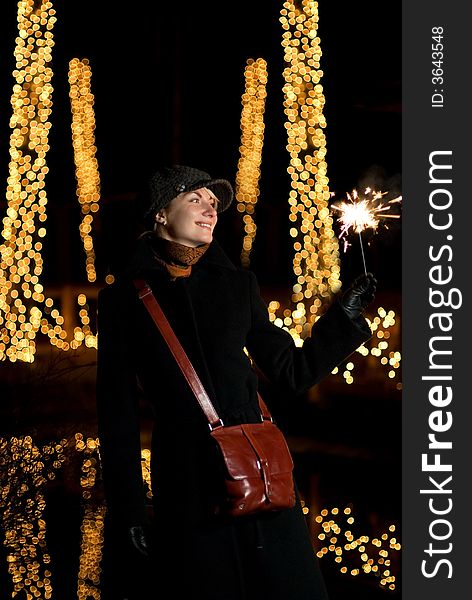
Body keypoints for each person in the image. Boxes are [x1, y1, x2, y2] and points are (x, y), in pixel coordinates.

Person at [96, 165, 377, 599]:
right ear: (159, 214)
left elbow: (291, 371)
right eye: (196, 199)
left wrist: (344, 318)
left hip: (260, 470)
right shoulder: (124, 299)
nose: (210, 209)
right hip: (188, 485)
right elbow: (117, 413)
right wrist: (130, 509)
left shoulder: (237, 285)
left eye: (214, 203)